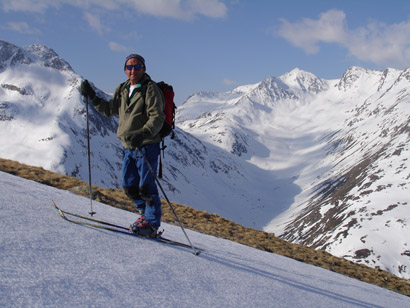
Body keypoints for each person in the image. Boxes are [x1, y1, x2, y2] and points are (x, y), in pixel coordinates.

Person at [80, 54, 165, 237]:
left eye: (137, 66)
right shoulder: (123, 88)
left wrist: (143, 133)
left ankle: (151, 224)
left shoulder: (151, 89)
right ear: (125, 69)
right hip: (128, 146)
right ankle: (144, 215)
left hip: (146, 145)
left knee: (146, 187)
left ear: (144, 68)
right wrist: (92, 97)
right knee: (129, 185)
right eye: (129, 67)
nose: (132, 70)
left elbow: (157, 117)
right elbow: (110, 110)